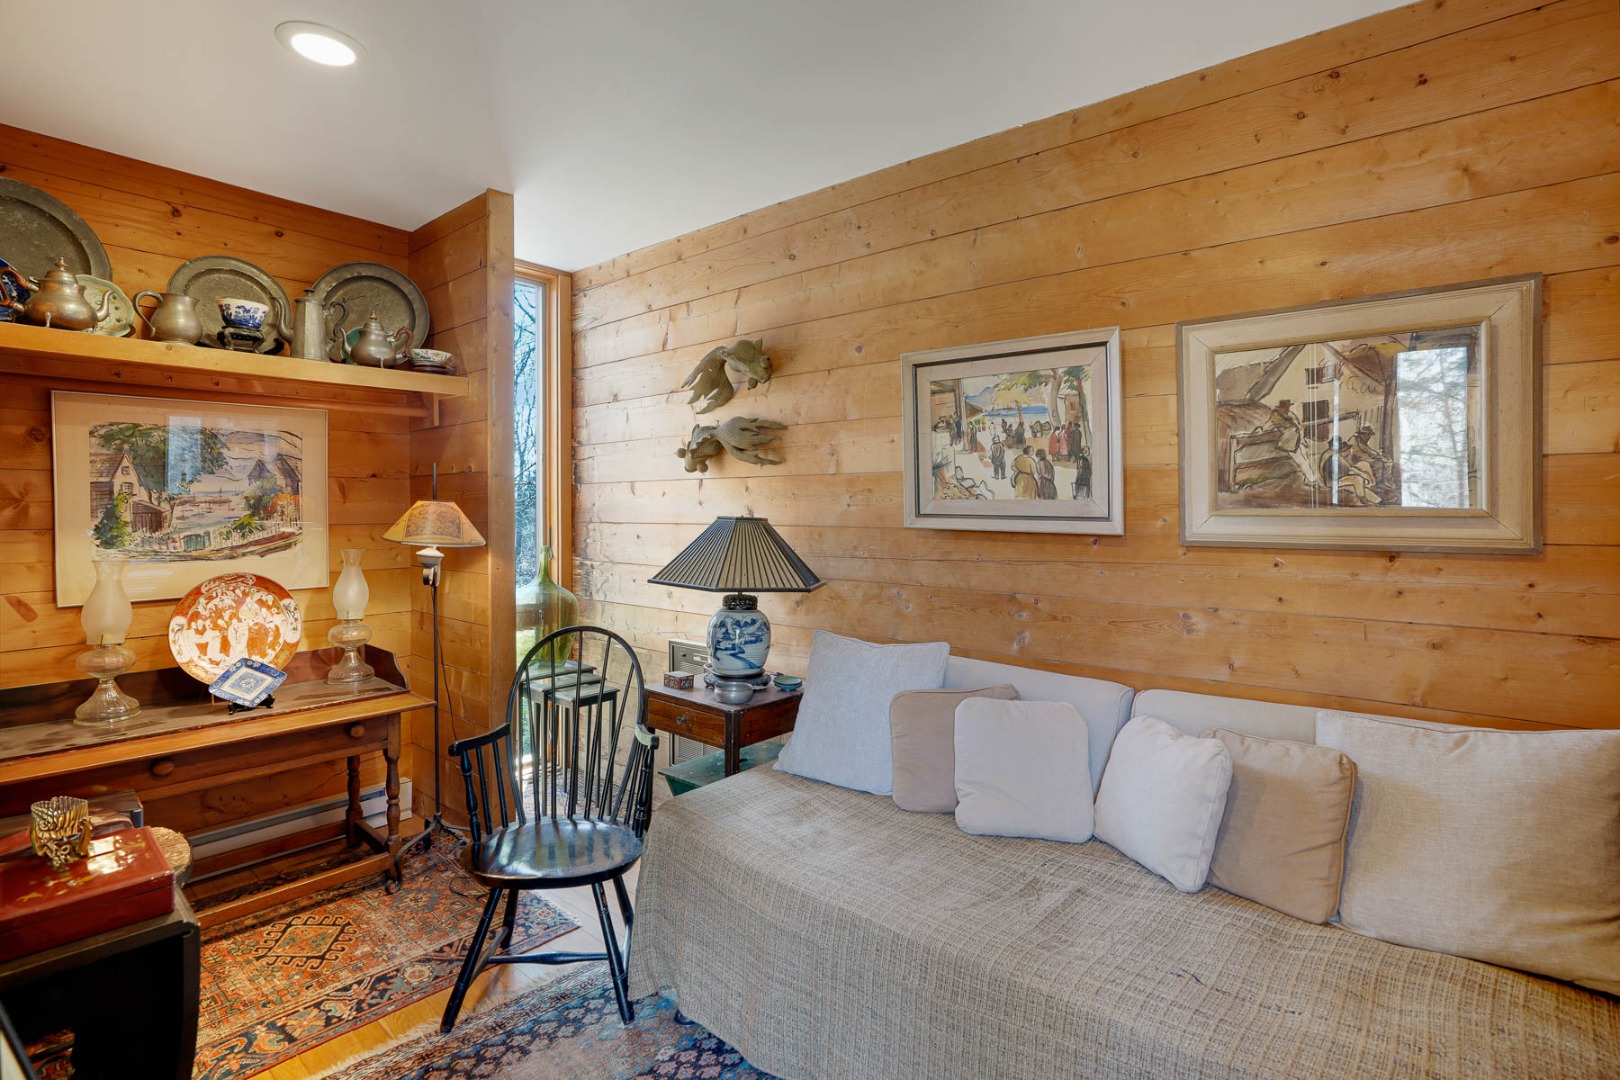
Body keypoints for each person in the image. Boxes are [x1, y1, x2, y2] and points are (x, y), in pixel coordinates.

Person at [1261, 399, 1322, 487]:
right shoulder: (1276, 416)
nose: (1287, 409)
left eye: (1288, 407)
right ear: (1280, 408)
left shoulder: (1291, 414)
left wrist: (1302, 436)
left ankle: (1307, 480)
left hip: (1299, 440)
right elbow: (1267, 426)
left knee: (1306, 459)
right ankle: (1313, 481)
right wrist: (1261, 429)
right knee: (1301, 462)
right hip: (1289, 442)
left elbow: (1298, 425)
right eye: (1285, 408)